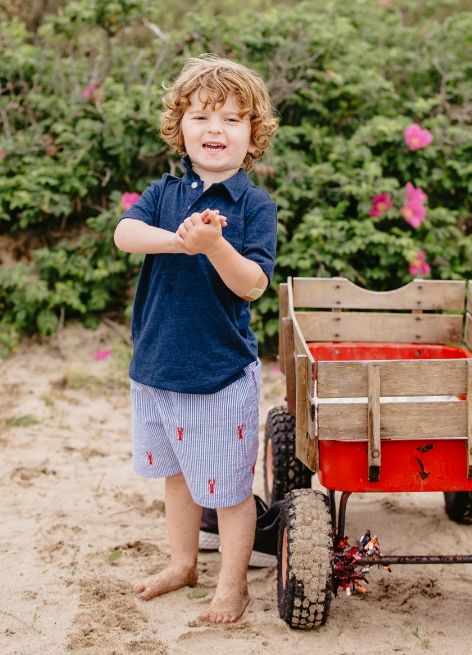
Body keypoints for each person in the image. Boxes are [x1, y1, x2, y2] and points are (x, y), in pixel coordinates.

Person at [113, 54, 278, 624]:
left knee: (230, 490)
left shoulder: (254, 205)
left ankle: (232, 585)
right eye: (203, 116)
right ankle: (183, 563)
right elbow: (124, 233)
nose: (216, 129)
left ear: (253, 136)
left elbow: (253, 284)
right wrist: (182, 242)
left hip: (219, 372)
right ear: (179, 127)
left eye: (233, 119)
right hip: (157, 364)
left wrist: (214, 246)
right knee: (177, 476)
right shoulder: (163, 193)